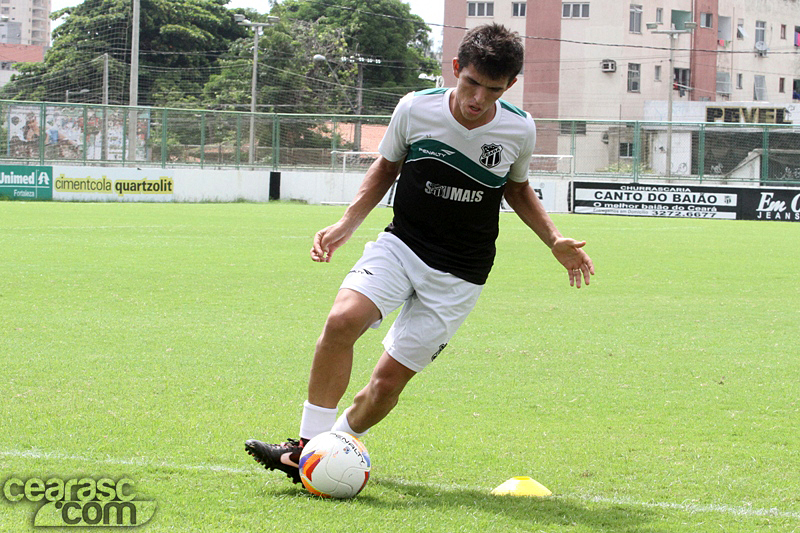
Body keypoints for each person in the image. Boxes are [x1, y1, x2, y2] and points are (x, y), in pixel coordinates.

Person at [245, 23, 594, 484]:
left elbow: (517, 188)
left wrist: (554, 240)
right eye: (470, 83)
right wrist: (347, 223)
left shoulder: (519, 128)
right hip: (402, 244)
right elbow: (386, 166)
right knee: (341, 321)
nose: (477, 99)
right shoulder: (416, 108)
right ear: (455, 69)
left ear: (510, 86)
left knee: (386, 386)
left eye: (492, 90)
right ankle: (307, 449)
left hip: (461, 273)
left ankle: (335, 449)